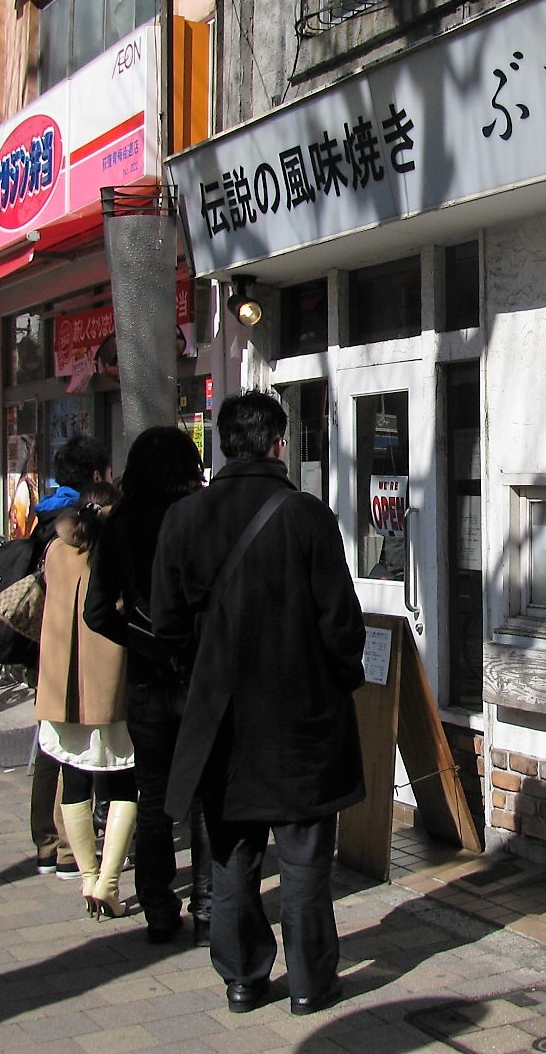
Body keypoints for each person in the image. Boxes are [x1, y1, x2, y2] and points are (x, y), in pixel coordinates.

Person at [153, 390, 366, 1017]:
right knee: (303, 858)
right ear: (278, 445)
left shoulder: (184, 518)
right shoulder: (307, 516)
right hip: (301, 717)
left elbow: (165, 624)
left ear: (225, 446)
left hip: (220, 718)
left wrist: (198, 673)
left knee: (232, 855)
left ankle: (243, 979)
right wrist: (340, 682)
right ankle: (310, 982)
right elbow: (341, 623)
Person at [84, 425, 210, 944]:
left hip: (146, 680)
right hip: (200, 673)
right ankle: (209, 906)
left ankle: (159, 907)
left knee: (154, 795)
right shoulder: (201, 514)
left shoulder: (120, 523)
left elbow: (96, 611)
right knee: (204, 794)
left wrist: (137, 637)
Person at [36, 480, 137, 919]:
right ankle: (108, 884)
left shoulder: (56, 552)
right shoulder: (120, 553)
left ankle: (86, 878)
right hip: (111, 688)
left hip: (62, 687)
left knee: (73, 780)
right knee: (124, 782)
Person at [30, 434, 112, 878]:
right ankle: (68, 851)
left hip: (49, 644)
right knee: (72, 752)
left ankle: (46, 842)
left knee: (50, 746)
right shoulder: (81, 521)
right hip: (76, 647)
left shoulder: (44, 514)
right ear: (97, 476)